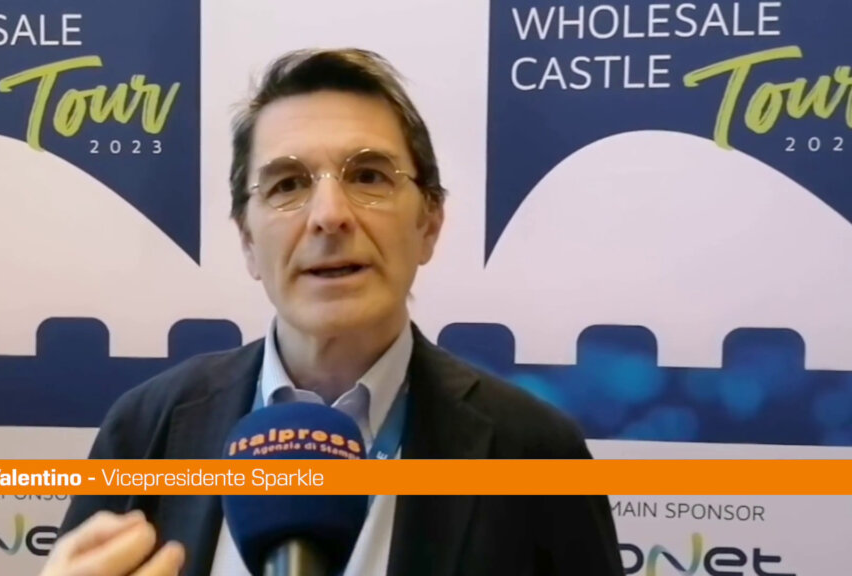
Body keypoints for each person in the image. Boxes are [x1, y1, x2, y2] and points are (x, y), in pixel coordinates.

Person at [47, 48, 625, 576]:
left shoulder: (535, 450)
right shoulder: (148, 426)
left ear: (429, 224)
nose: (329, 215)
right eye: (287, 185)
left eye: (369, 177)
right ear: (247, 241)